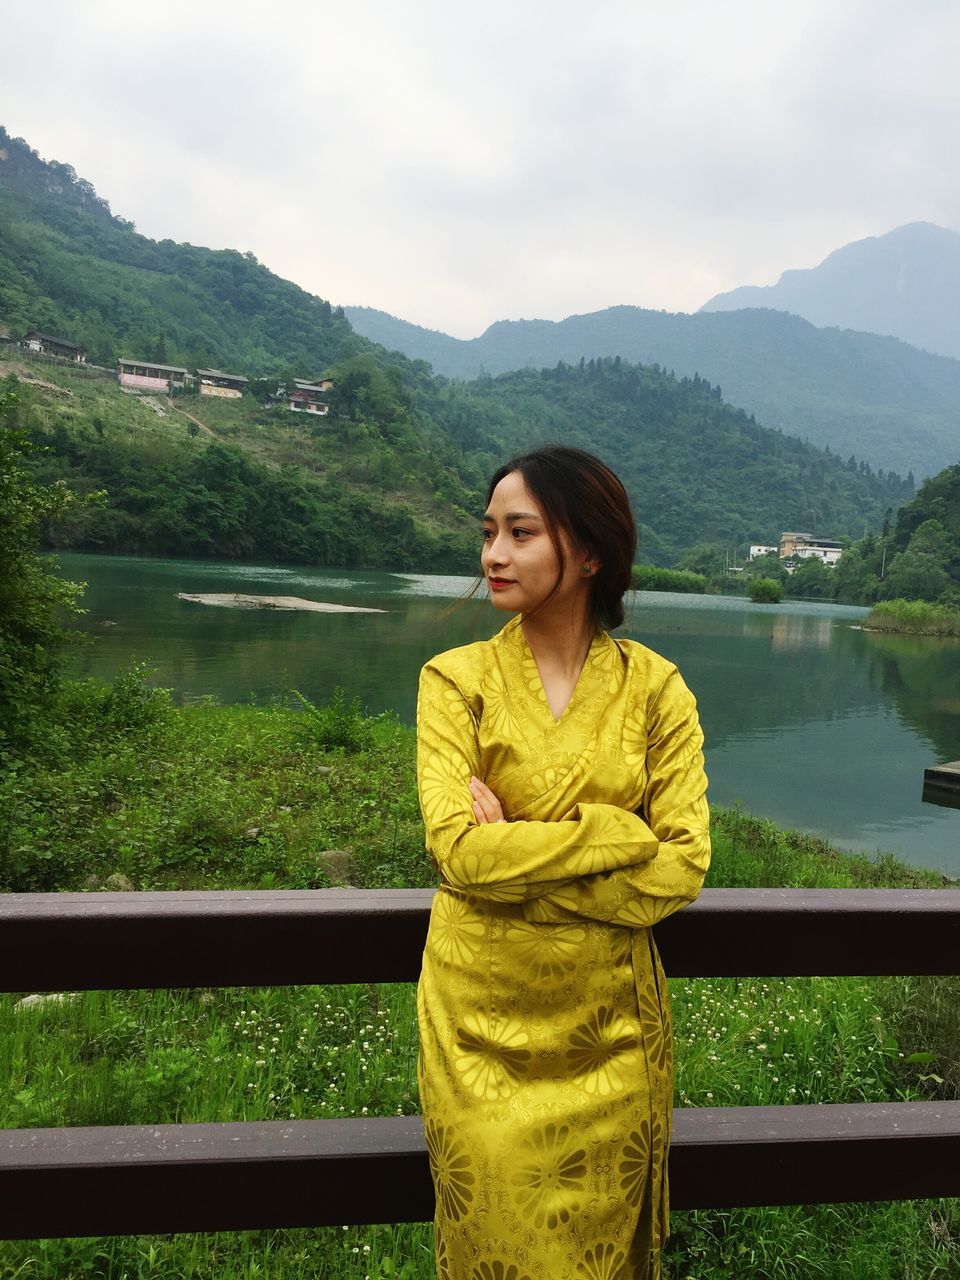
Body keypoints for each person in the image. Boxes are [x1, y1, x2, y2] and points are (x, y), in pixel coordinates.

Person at [416, 445, 710, 1280]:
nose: (493, 556)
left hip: (609, 1036)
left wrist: (521, 853)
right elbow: (459, 852)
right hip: (477, 1030)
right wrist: (615, 833)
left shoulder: (658, 691)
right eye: (488, 533)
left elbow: (683, 866)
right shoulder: (455, 681)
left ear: (588, 553)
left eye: (520, 533)